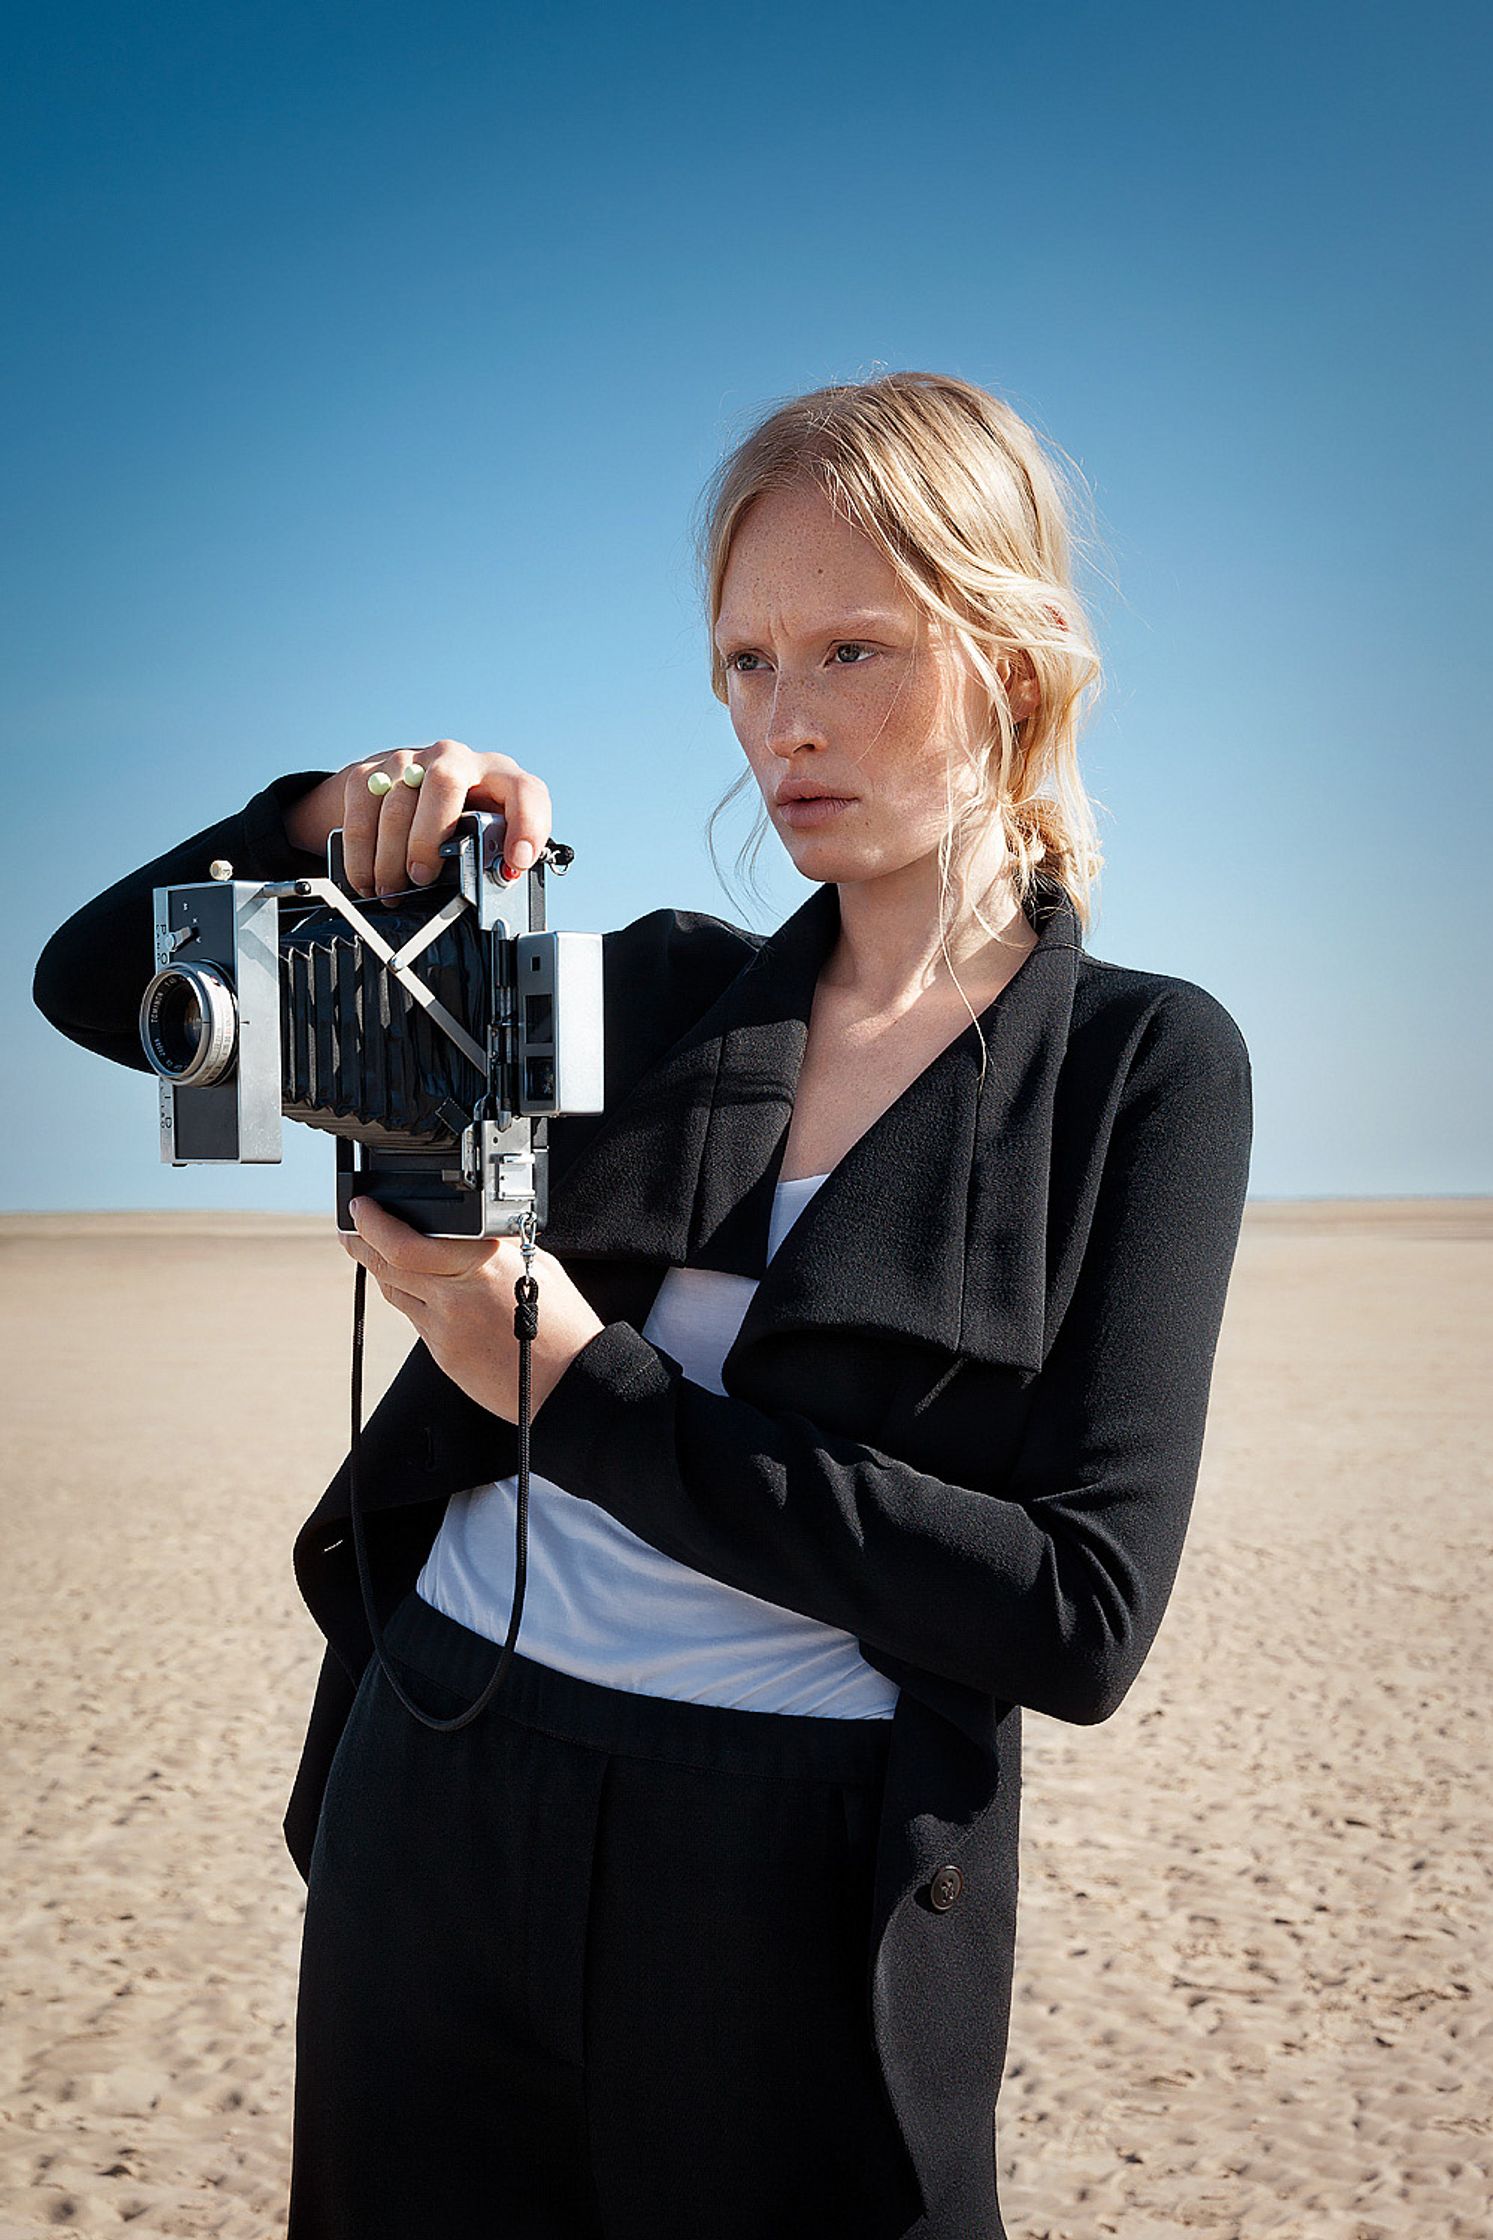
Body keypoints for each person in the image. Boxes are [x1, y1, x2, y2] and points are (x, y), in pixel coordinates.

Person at [32, 370, 1254, 2240]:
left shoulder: (1138, 1065)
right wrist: (316, 812)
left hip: (791, 1867)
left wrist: (567, 1380)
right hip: (435, 1765)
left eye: (854, 647)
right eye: (743, 665)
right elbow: (99, 983)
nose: (787, 723)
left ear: (1013, 658)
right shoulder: (653, 993)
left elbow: (1076, 1618)